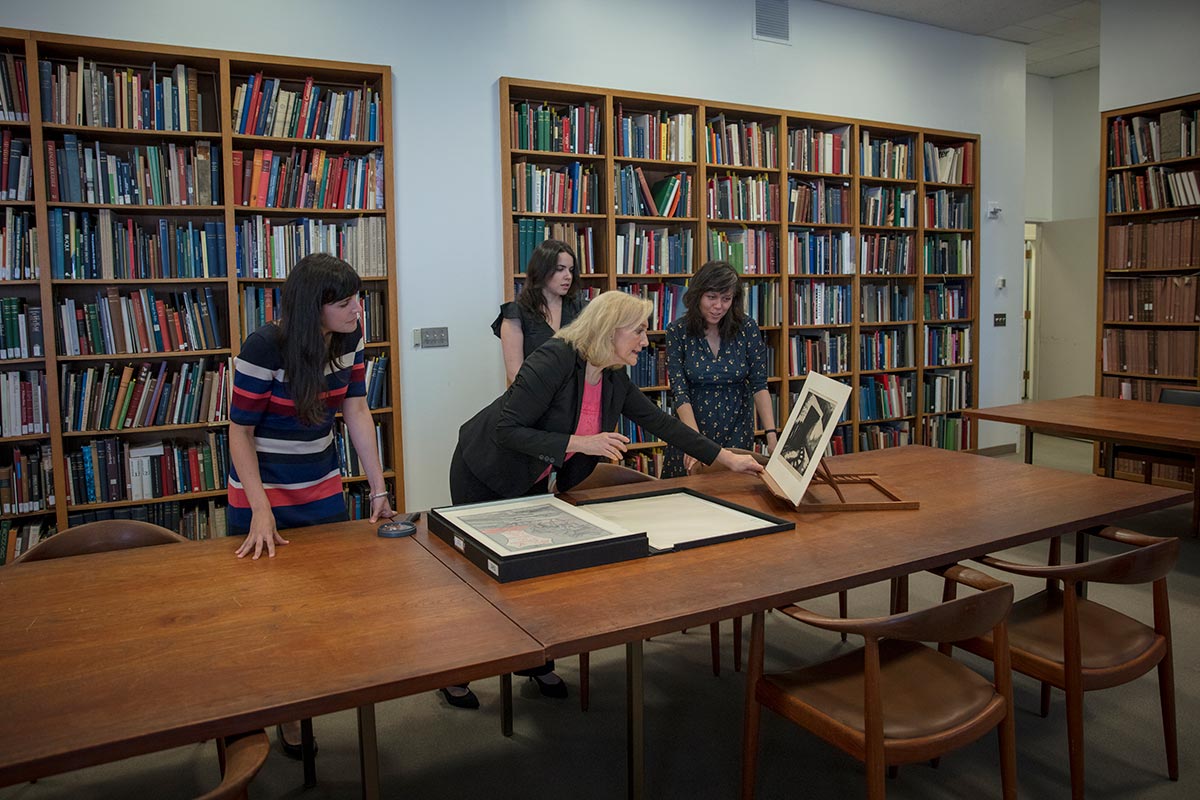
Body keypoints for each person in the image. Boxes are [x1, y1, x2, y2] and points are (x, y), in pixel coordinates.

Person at [442, 290, 763, 709]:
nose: (647, 341)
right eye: (640, 331)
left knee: (533, 579)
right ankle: (456, 671)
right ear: (610, 331)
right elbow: (507, 429)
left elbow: (662, 422)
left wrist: (726, 459)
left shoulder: (612, 377)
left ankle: (533, 662)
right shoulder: (554, 359)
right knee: (479, 582)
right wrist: (583, 442)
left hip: (534, 478)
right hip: (484, 470)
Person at [227, 252, 394, 757]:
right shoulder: (265, 346)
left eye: (358, 299)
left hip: (320, 485)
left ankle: (300, 707)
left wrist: (379, 489)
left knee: (323, 610)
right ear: (311, 308)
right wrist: (260, 508)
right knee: (267, 616)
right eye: (344, 303)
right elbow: (239, 433)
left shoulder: (350, 340)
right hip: (261, 492)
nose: (357, 310)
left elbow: (358, 412)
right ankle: (267, 710)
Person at [661, 260, 778, 478]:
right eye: (711, 297)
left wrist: (771, 435)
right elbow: (680, 392)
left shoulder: (747, 328)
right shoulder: (677, 331)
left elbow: (759, 385)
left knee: (733, 495)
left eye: (726, 299)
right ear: (697, 296)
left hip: (736, 428)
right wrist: (693, 442)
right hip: (691, 429)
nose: (718, 306)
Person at [492, 239, 587, 384]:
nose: (568, 276)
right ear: (542, 270)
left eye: (571, 270)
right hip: (534, 398)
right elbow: (515, 375)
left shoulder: (581, 308)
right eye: (560, 269)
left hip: (575, 397)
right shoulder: (516, 313)